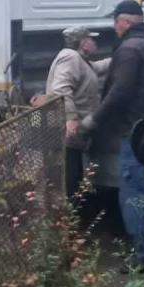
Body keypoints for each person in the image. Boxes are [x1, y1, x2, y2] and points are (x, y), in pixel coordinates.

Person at [81, 0, 144, 269]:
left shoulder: (130, 48)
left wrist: (93, 120)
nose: (114, 27)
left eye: (116, 22)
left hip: (135, 131)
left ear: (125, 22)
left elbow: (121, 90)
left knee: (135, 194)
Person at [44, 26, 110, 199]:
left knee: (74, 171)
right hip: (66, 129)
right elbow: (61, 89)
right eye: (91, 39)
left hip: (74, 131)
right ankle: (69, 209)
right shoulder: (71, 58)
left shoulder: (81, 61)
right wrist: (71, 118)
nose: (95, 42)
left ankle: (73, 208)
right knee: (70, 174)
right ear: (83, 43)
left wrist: (120, 57)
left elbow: (97, 67)